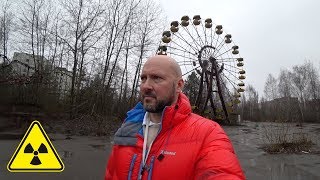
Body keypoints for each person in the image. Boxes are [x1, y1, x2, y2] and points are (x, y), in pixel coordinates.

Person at [105, 55, 245, 180]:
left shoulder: (208, 133)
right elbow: (111, 174)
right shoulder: (129, 125)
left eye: (157, 78)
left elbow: (222, 172)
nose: (146, 86)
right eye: (143, 78)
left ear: (179, 86)